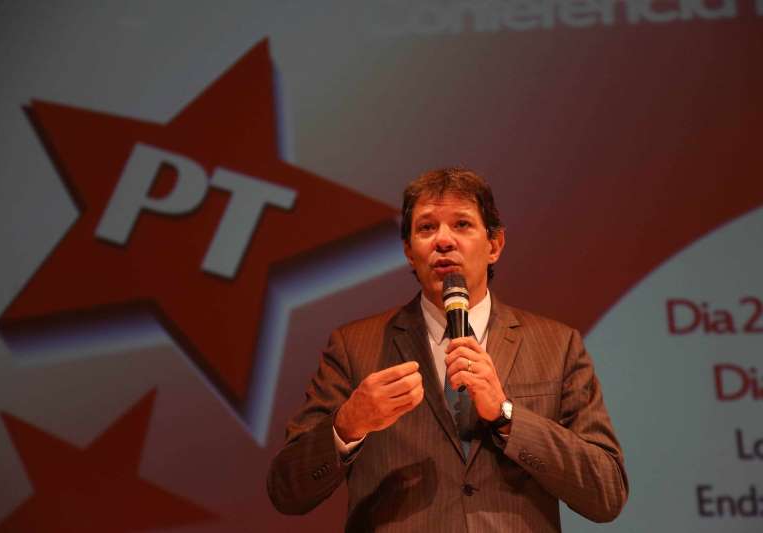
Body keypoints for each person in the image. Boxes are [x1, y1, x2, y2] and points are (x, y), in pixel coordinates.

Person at [267, 167, 628, 532]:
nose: (443, 240)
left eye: (462, 224)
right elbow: (287, 490)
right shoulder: (354, 346)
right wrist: (348, 424)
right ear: (409, 251)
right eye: (426, 228)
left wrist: (507, 416)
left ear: (494, 245)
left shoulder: (557, 345)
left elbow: (607, 491)